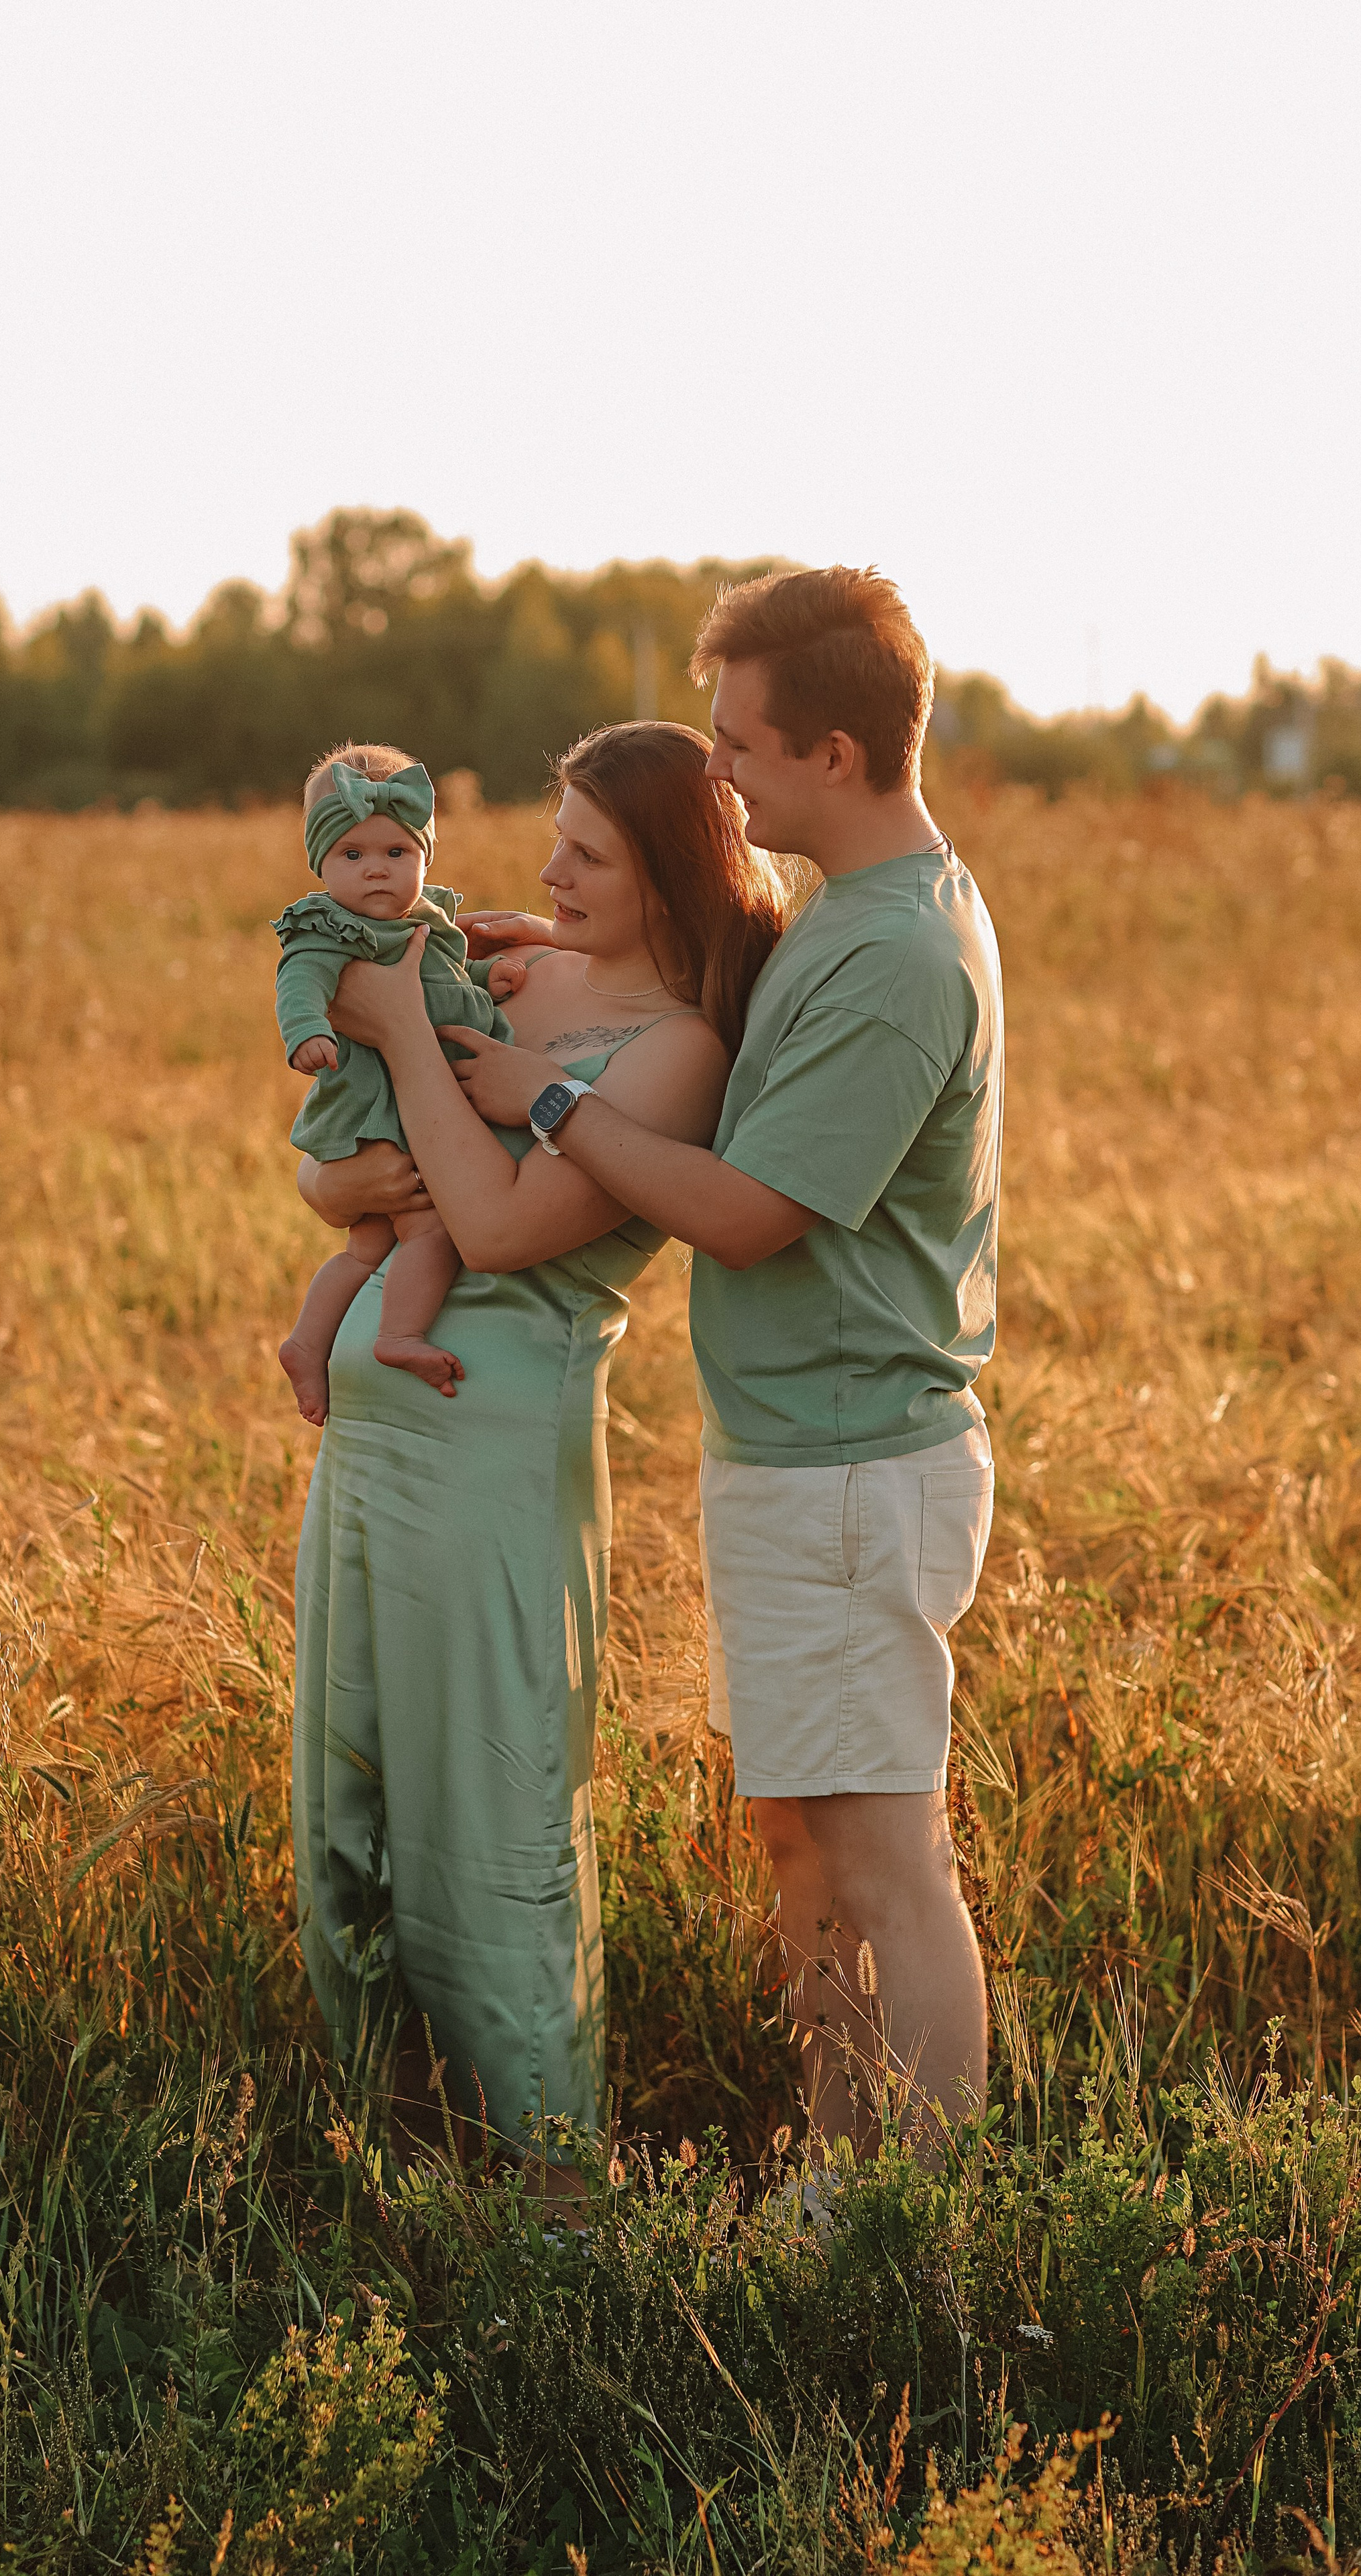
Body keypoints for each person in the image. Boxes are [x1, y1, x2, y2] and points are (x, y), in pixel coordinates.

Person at [445, 568, 1003, 2161]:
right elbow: (718, 1026)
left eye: (741, 746)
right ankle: (837, 2176)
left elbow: (749, 1214)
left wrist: (540, 1101)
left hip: (847, 1463)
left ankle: (906, 2215)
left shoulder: (898, 953)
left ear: (832, 751)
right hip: (802, 1453)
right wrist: (558, 978)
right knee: (804, 1850)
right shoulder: (856, 915)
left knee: (886, 1858)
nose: (718, 775)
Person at [290, 720, 787, 2162]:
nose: (548, 868)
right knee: (351, 1799)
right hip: (373, 1452)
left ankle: (543, 2193)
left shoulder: (677, 1053)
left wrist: (393, 1029)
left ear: (665, 877)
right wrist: (340, 1179)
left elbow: (499, 1226)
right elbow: (352, 1161)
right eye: (552, 836)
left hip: (492, 1458)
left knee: (486, 1814)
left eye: (586, 852)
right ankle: (380, 2153)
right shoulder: (511, 967)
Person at [273, 744, 532, 1417]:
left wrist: (484, 980)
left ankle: (307, 1341)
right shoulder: (329, 927)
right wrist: (306, 1031)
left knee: (367, 1246)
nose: (377, 872)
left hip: (417, 1102)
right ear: (321, 863)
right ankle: (399, 1334)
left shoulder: (430, 925)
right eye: (352, 856)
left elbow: (444, 984)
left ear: (425, 858)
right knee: (431, 1231)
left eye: (396, 854)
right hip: (372, 1107)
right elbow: (299, 981)